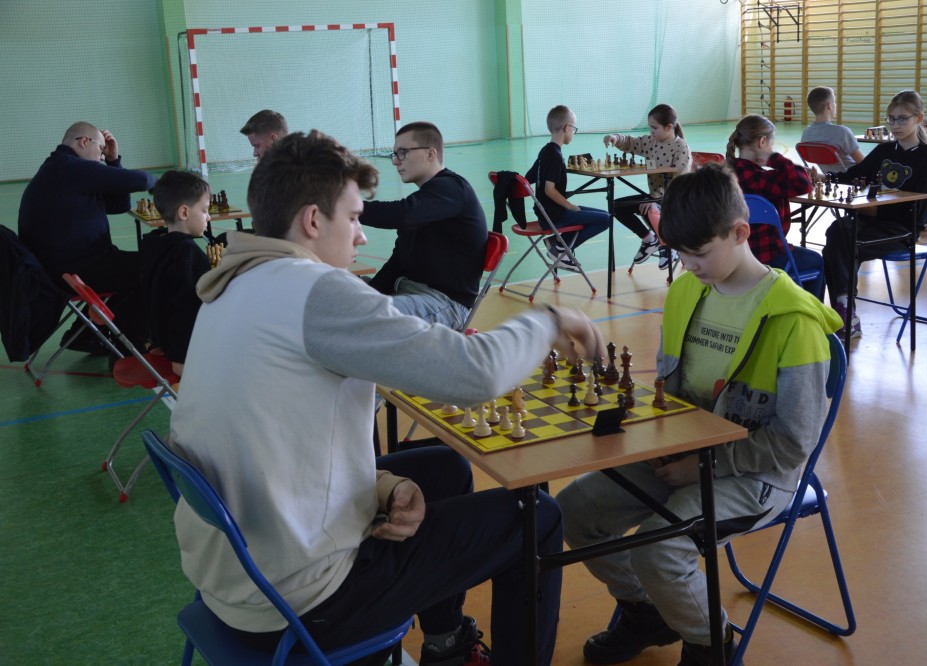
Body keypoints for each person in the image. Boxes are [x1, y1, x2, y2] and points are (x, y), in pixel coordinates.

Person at [168, 129, 606, 666]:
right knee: (536, 517)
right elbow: (475, 375)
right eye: (354, 218)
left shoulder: (231, 286)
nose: (359, 237)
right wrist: (549, 321)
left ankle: (446, 643)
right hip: (302, 600)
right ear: (312, 221)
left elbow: (275, 448)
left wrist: (383, 485)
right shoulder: (315, 291)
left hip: (234, 577)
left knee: (444, 468)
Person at [557, 163, 841, 666]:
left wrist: (705, 464)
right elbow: (670, 392)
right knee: (574, 510)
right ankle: (648, 613)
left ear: (740, 233)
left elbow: (795, 442)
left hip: (758, 473)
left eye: (700, 252)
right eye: (679, 253)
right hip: (682, 454)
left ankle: (711, 643)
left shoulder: (794, 321)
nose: (688, 265)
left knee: (658, 550)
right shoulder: (686, 291)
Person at [17, 121, 157, 351]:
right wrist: (168, 183)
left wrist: (113, 160)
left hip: (64, 268)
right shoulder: (70, 167)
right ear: (84, 142)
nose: (101, 157)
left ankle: (86, 335)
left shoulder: (60, 169)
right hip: (74, 270)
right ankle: (132, 346)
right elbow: (141, 180)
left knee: (136, 266)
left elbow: (120, 204)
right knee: (155, 266)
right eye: (101, 150)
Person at [823, 90, 927, 339]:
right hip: (872, 222)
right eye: (891, 119)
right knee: (837, 232)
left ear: (918, 118)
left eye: (902, 119)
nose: (895, 125)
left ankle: (844, 312)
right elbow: (854, 175)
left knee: (843, 240)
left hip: (902, 230)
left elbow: (918, 209)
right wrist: (826, 178)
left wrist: (875, 208)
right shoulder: (885, 150)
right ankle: (845, 309)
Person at [360, 121, 487, 330]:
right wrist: (372, 291)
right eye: (395, 154)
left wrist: (349, 207)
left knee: (370, 317)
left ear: (430, 154)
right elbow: (399, 261)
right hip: (407, 290)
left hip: (444, 302)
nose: (395, 161)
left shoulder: (453, 189)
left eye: (403, 152)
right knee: (341, 297)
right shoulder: (427, 201)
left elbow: (403, 214)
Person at [727, 114, 824, 300]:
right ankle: (812, 314)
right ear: (762, 141)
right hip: (768, 255)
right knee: (817, 261)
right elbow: (803, 183)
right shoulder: (763, 180)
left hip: (735, 256)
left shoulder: (726, 175)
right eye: (771, 144)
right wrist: (775, 158)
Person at [139, 170, 212, 377]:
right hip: (185, 351)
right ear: (184, 213)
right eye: (205, 210)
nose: (208, 217)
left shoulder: (155, 245)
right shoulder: (188, 254)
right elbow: (187, 311)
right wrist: (181, 359)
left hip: (162, 341)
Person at [603, 104, 692, 270]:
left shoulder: (681, 147)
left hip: (674, 200)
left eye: (654, 128)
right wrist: (616, 138)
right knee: (616, 206)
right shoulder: (651, 142)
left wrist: (654, 199)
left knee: (651, 208)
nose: (651, 131)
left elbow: (679, 182)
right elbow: (632, 142)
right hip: (655, 197)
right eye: (650, 127)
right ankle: (649, 240)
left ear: (669, 127)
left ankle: (669, 245)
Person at [528, 105, 611, 270]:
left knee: (604, 214)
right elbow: (549, 190)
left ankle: (556, 242)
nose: (573, 132)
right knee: (606, 219)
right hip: (554, 216)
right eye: (574, 128)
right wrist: (570, 206)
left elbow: (527, 178)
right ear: (567, 128)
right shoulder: (555, 155)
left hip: (545, 213)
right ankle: (561, 248)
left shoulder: (545, 151)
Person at [801, 86, 865, 171]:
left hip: (830, 176)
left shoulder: (806, 133)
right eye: (834, 101)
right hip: (853, 175)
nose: (835, 104)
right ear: (829, 105)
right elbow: (864, 163)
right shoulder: (842, 132)